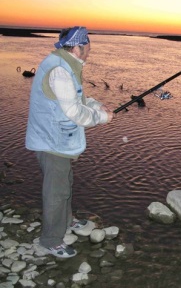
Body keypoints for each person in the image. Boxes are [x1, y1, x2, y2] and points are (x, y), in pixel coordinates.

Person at [25, 26, 114, 258]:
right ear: (77, 48)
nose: (90, 52)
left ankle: (66, 222)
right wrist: (101, 118)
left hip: (54, 139)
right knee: (56, 192)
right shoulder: (60, 71)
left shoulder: (63, 63)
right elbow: (73, 112)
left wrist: (95, 105)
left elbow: (75, 97)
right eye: (88, 48)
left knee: (65, 183)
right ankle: (50, 240)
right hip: (51, 142)